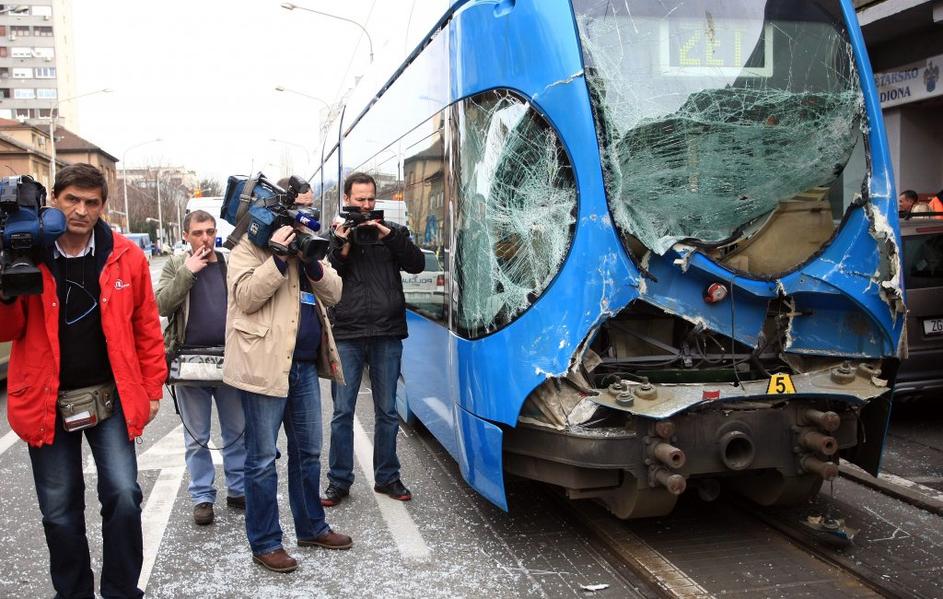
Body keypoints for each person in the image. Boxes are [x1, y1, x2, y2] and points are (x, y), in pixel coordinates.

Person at [0, 163, 166, 598]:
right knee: (59, 511)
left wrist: (151, 390)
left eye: (92, 202)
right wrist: (7, 286)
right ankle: (72, 593)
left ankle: (121, 591)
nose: (81, 210)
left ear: (103, 207)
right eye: (72, 199)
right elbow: (7, 329)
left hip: (109, 396)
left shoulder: (124, 255)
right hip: (45, 399)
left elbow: (147, 326)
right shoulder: (28, 252)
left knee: (125, 496)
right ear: (54, 199)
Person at [223, 178, 351, 573]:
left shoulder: (309, 241)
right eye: (302, 207)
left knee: (309, 452)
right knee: (261, 460)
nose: (307, 215)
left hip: (304, 368)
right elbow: (245, 297)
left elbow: (335, 291)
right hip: (264, 367)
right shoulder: (248, 247)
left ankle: (312, 525)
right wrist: (277, 259)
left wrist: (310, 261)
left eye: (311, 208)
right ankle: (265, 541)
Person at [322, 172, 424, 507]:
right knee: (342, 412)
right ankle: (339, 481)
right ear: (347, 200)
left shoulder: (392, 233)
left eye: (370, 200)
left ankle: (387, 477)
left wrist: (389, 235)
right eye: (359, 200)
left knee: (387, 410)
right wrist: (343, 243)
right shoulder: (336, 235)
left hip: (386, 332)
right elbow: (327, 274)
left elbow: (416, 264)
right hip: (348, 333)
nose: (365, 206)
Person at [156, 209, 246, 525]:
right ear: (186, 235)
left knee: (236, 432)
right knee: (196, 438)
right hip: (188, 363)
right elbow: (162, 305)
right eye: (198, 233)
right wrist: (188, 272)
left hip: (229, 361)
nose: (205, 238)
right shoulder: (176, 264)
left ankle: (238, 489)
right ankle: (203, 497)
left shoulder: (229, 262)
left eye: (209, 231)